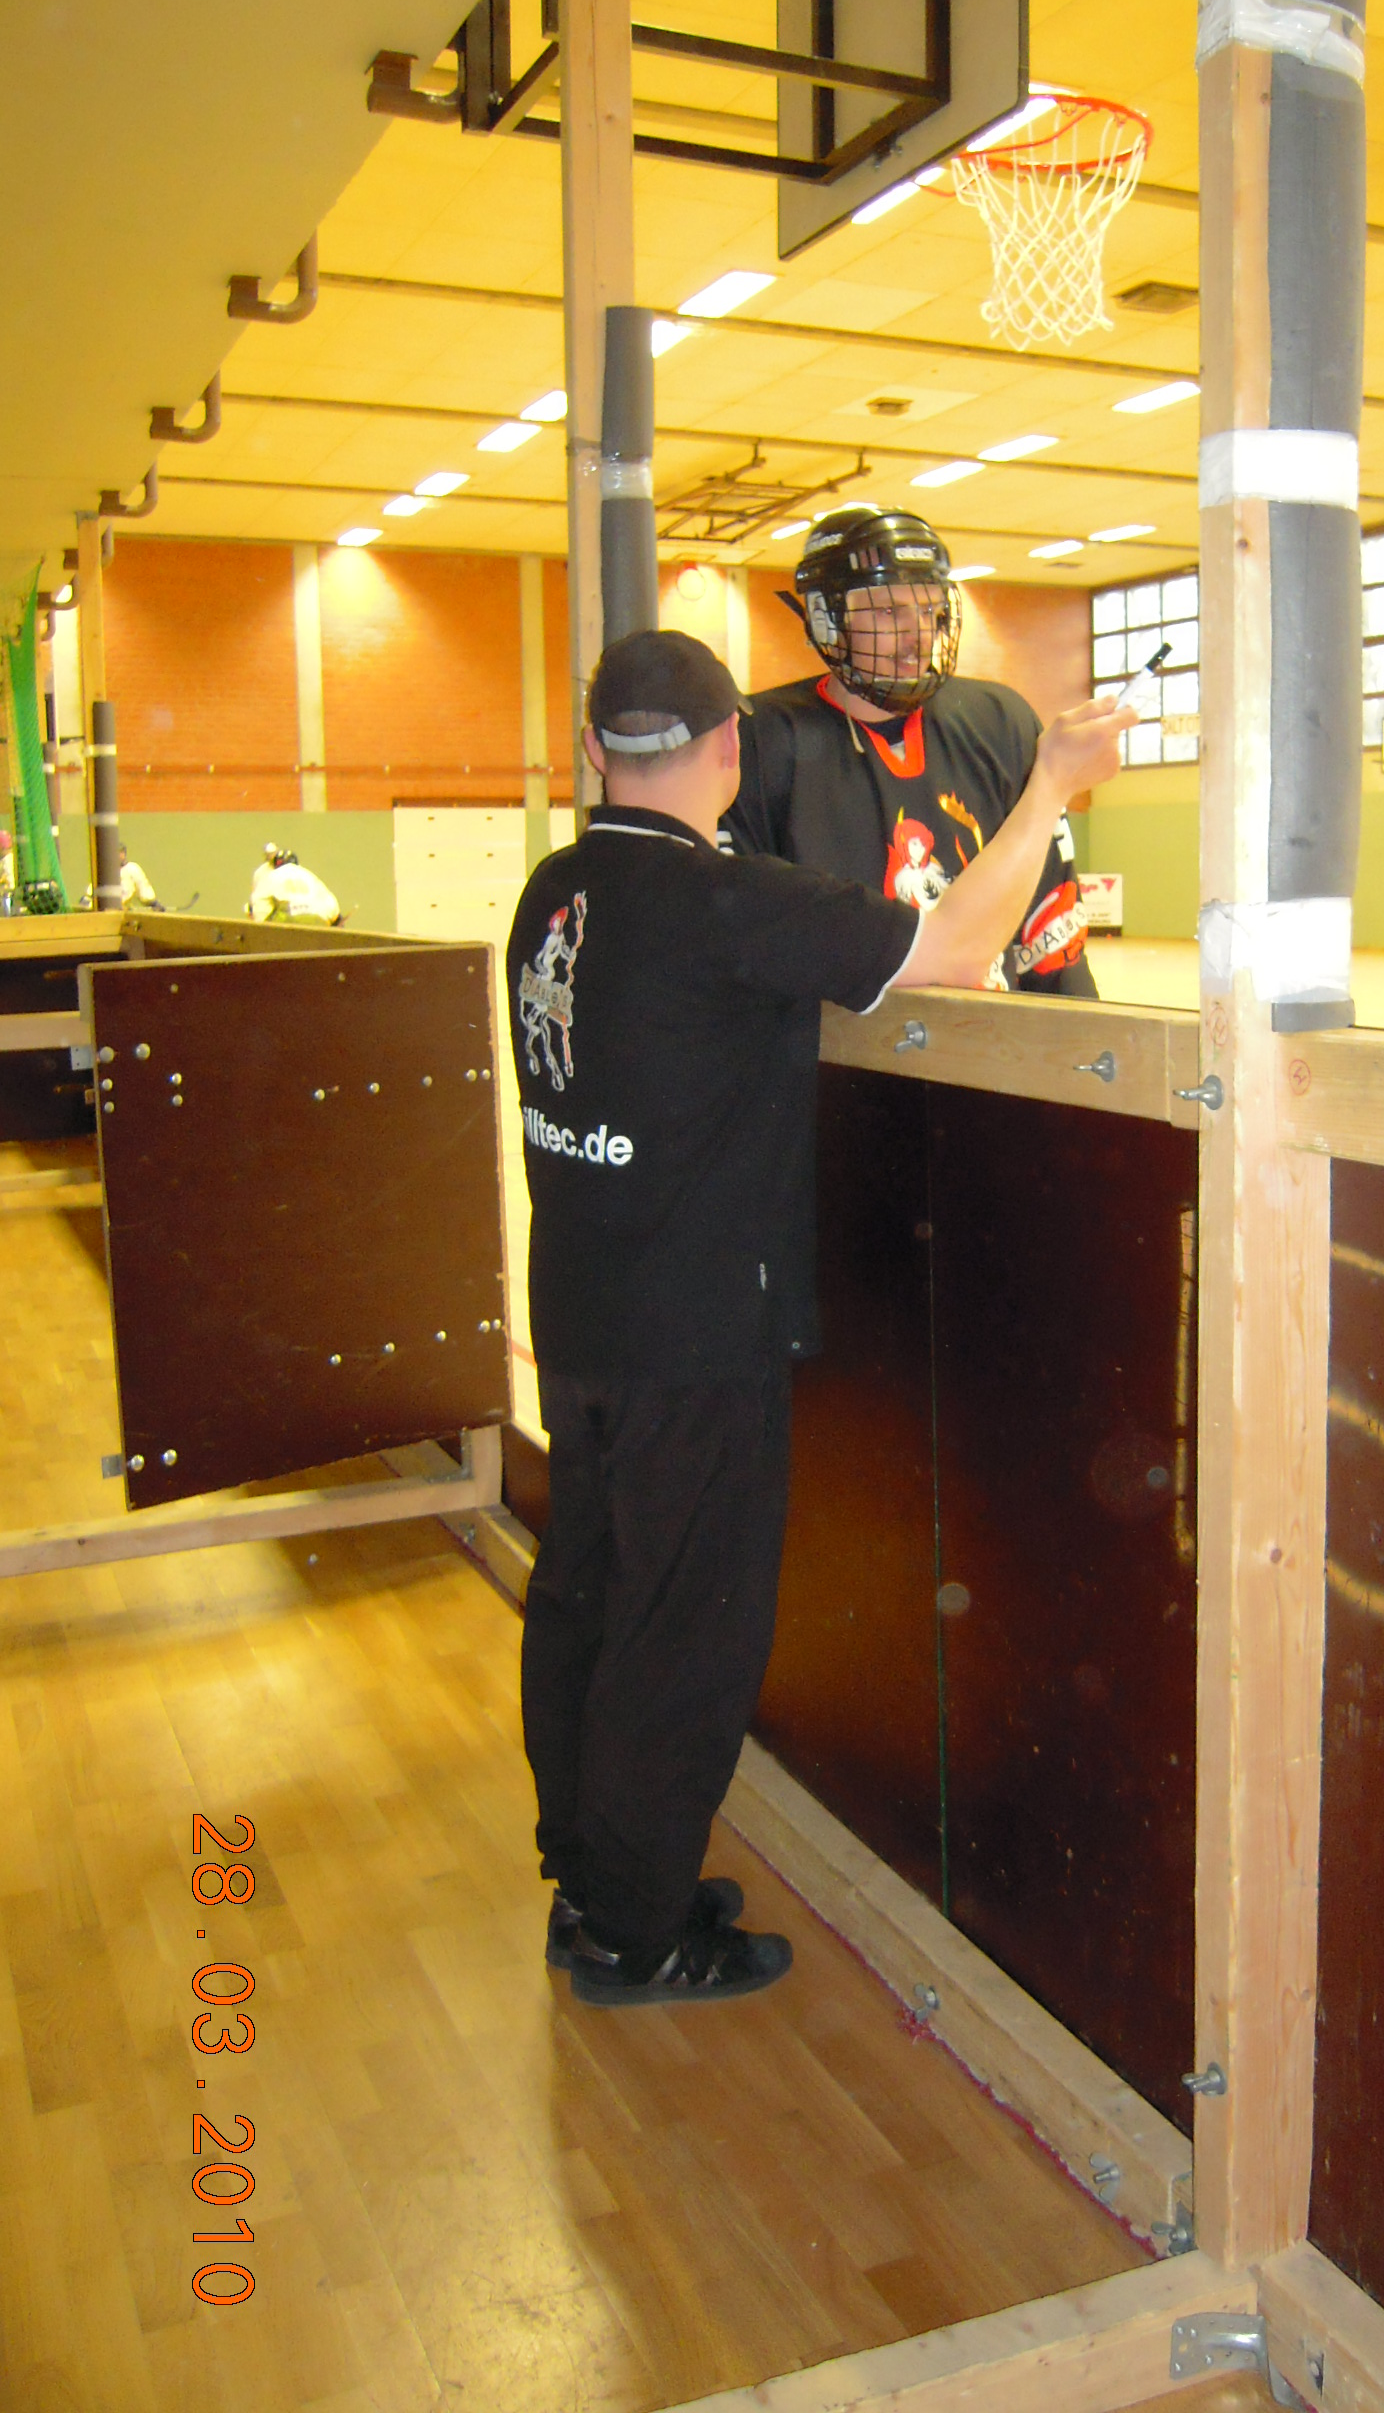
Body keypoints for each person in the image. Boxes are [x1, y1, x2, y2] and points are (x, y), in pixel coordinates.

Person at [507, 628, 1128, 2009]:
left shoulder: (555, 893)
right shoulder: (729, 904)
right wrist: (1050, 786)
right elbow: (958, 951)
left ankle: (594, 1880)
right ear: (730, 748)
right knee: (686, 1630)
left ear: (595, 750)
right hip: (693, 1340)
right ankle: (637, 1935)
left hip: (587, 1315)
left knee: (588, 1595)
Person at [723, 505, 1096, 995]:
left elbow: (1051, 922)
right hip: (838, 1040)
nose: (917, 634)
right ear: (825, 619)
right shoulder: (758, 740)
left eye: (928, 610)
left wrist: (1072, 1032)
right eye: (887, 611)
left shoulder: (1001, 724)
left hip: (985, 1036)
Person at [247, 841, 341, 925]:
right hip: (317, 922)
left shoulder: (271, 876)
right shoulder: (308, 875)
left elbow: (261, 904)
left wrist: (261, 926)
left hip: (286, 924)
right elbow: (331, 906)